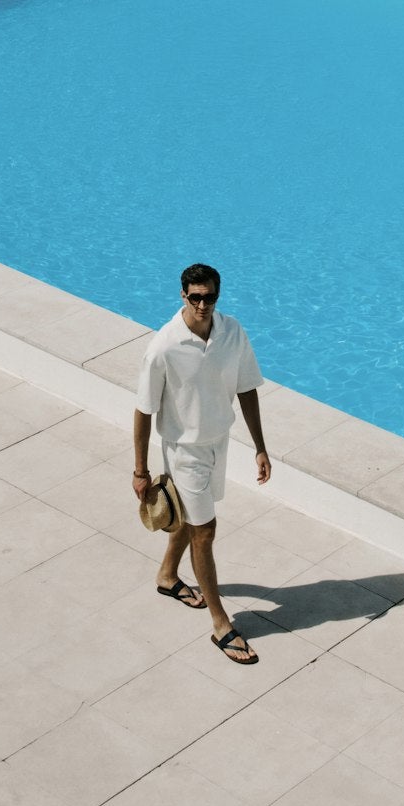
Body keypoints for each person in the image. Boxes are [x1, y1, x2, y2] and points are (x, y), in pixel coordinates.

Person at [132, 263, 271, 665]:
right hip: (183, 450)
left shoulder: (232, 333)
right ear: (182, 296)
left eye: (209, 297)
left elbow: (247, 387)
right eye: (195, 297)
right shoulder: (164, 346)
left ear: (218, 295)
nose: (202, 304)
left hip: (218, 443)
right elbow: (143, 411)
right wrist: (140, 470)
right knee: (205, 530)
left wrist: (260, 447)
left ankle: (167, 577)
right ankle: (221, 624)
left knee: (193, 523)